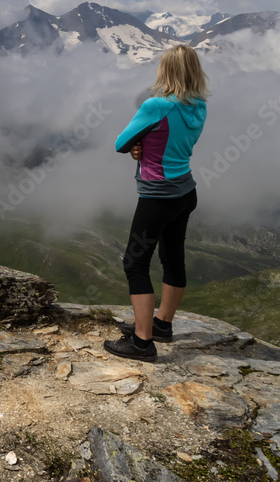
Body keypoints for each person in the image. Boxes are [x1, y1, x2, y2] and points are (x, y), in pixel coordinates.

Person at [104, 44, 208, 362]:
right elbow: (171, 142)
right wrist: (144, 147)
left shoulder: (156, 106)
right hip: (185, 191)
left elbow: (121, 142)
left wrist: (138, 145)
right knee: (172, 258)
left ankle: (142, 342)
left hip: (158, 194)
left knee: (134, 263)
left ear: (165, 70)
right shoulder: (200, 106)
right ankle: (162, 324)